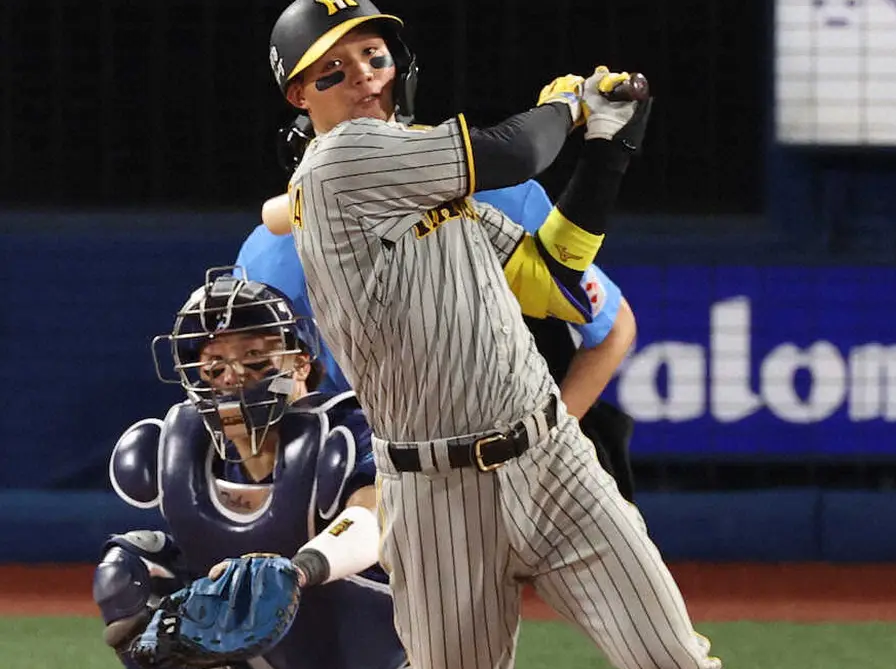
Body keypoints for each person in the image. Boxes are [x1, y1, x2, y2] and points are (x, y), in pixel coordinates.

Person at [265, 0, 822, 669]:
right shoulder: (340, 169)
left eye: (372, 57)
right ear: (301, 95)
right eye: (332, 69)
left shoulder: (423, 179)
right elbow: (511, 148)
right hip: (433, 490)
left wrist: (607, 151)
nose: (363, 78)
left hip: (549, 457)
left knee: (674, 655)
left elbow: (554, 275)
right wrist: (568, 107)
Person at [93, 271, 618, 669]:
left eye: (255, 358)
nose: (233, 378)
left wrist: (301, 568)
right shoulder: (173, 453)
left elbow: (374, 518)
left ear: (301, 365)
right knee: (130, 575)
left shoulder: (350, 428)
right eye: (215, 364)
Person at [237, 117, 638, 496]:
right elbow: (267, 392)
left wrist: (542, 447)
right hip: (386, 470)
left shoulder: (497, 201)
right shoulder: (267, 262)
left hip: (534, 438)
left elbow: (614, 329)